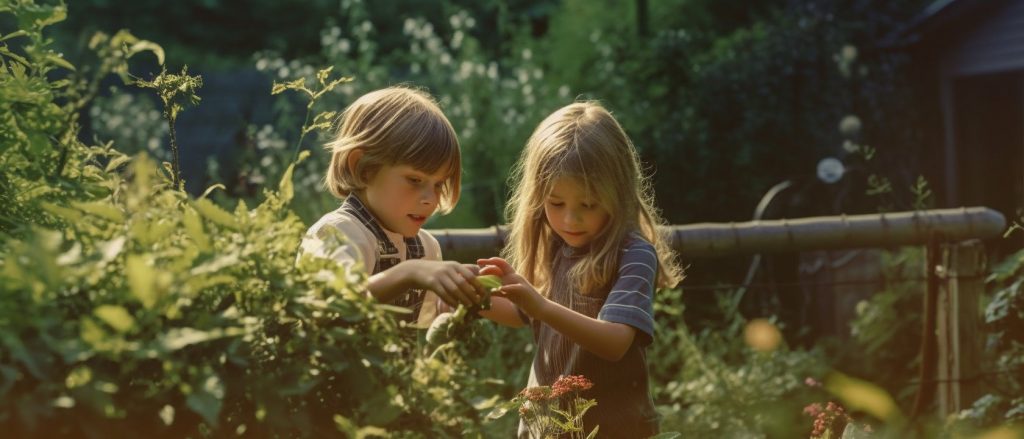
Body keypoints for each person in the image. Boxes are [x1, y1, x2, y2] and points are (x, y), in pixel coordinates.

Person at [478, 101, 683, 438]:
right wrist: (472, 299)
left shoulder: (633, 254)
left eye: (587, 204)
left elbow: (616, 341)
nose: (570, 219)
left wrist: (540, 306)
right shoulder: (556, 245)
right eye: (555, 203)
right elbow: (521, 314)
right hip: (548, 427)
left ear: (617, 194)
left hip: (613, 430)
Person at [299, 86, 485, 327]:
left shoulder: (426, 248)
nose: (430, 199)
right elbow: (335, 303)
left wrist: (453, 305)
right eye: (415, 180)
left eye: (439, 184)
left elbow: (420, 334)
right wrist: (409, 273)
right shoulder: (337, 233)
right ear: (363, 169)